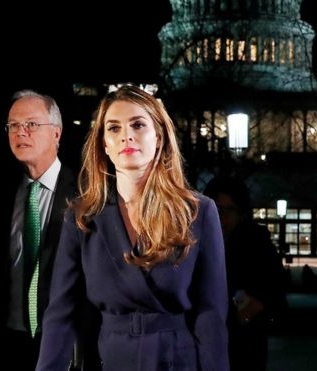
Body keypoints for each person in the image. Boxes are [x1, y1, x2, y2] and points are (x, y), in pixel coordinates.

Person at [36, 85, 229, 371]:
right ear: (104, 144)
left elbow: (211, 315)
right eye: (113, 128)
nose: (126, 135)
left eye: (138, 124)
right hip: (108, 360)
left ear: (159, 135)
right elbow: (61, 313)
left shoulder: (197, 212)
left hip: (178, 360)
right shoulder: (82, 217)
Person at [0, 89, 82, 371]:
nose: (21, 132)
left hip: (64, 342)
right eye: (14, 125)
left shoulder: (85, 193)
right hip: (4, 341)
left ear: (56, 133)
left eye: (31, 124)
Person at [204, 176, 287, 371]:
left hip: (244, 344)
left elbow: (276, 291)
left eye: (229, 210)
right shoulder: (195, 243)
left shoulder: (256, 243)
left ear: (241, 213)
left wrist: (253, 309)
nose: (220, 217)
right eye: (216, 209)